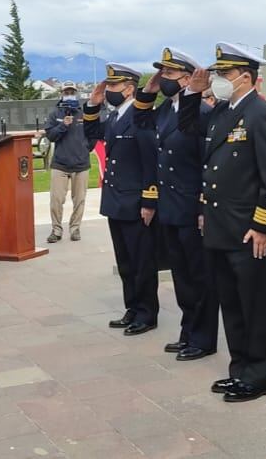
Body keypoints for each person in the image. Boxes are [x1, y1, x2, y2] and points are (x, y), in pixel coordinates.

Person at [182, 42, 266, 403]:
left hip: (249, 230)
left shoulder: (263, 114)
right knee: (232, 304)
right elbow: (191, 131)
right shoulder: (223, 112)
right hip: (222, 227)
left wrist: (263, 224)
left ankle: (258, 376)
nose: (219, 80)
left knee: (256, 306)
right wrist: (193, 93)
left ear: (246, 77)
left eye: (224, 74)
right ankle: (240, 368)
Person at [136, 48, 217, 361]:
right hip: (170, 207)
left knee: (199, 277)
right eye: (163, 74)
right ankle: (188, 332)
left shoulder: (200, 113)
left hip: (189, 206)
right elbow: (139, 121)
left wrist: (201, 208)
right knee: (182, 277)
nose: (163, 79)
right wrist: (149, 90)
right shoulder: (166, 110)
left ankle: (203, 338)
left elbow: (206, 164)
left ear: (187, 78)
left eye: (169, 74)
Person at [85, 64, 160, 336]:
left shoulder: (141, 117)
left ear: (130, 88)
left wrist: (149, 201)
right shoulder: (115, 116)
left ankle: (147, 313)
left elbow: (150, 160)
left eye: (114, 87)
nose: (109, 92)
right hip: (116, 200)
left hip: (136, 202)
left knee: (142, 262)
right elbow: (92, 137)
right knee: (126, 262)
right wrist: (92, 107)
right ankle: (133, 307)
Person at [44, 81, 95, 243]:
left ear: (76, 93)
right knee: (56, 200)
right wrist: (63, 126)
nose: (69, 94)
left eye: (72, 92)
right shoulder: (55, 114)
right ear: (61, 94)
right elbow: (50, 136)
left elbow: (92, 135)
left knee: (79, 200)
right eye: (66, 92)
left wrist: (85, 149)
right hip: (60, 164)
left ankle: (75, 228)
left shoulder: (84, 113)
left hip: (81, 164)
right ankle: (56, 230)